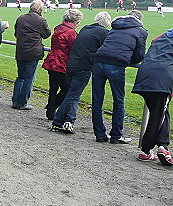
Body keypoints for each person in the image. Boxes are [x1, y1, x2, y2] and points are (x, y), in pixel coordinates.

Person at [92, 10, 148, 143]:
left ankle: (100, 134)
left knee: (97, 99)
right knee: (118, 100)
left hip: (99, 60)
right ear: (140, 20)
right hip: (116, 64)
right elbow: (139, 55)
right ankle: (116, 135)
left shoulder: (115, 26)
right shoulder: (141, 31)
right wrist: (127, 60)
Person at [51, 12, 111, 134]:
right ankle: (57, 121)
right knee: (72, 95)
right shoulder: (103, 33)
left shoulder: (86, 28)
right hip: (83, 67)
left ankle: (69, 121)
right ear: (107, 23)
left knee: (73, 94)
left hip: (71, 65)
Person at [132, 28, 173, 165]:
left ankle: (163, 146)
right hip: (161, 78)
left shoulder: (162, 36)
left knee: (160, 112)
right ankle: (147, 149)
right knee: (158, 115)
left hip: (146, 74)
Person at [42, 9, 83, 119]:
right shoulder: (71, 33)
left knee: (53, 87)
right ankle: (53, 107)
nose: (78, 25)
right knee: (66, 89)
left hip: (51, 60)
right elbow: (73, 49)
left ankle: (50, 110)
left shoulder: (58, 28)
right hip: (61, 62)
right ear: (72, 21)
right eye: (78, 22)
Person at [11, 0, 51, 110]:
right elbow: (47, 34)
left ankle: (15, 100)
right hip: (34, 52)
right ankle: (22, 102)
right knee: (29, 78)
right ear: (41, 9)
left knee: (20, 77)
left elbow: (16, 33)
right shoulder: (41, 20)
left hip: (21, 51)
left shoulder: (21, 18)